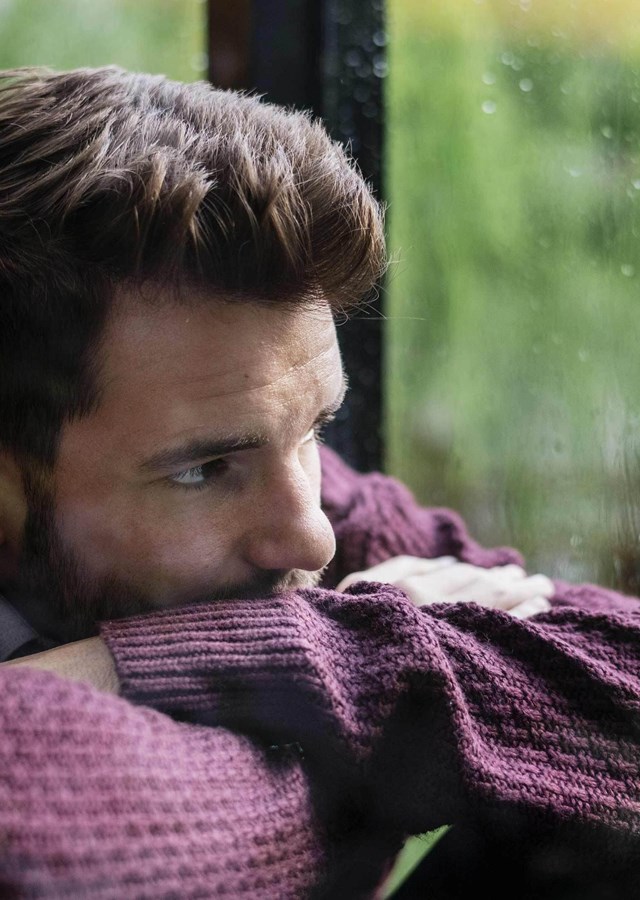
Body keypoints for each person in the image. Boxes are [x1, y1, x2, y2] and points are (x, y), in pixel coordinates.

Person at [0, 66, 638, 899]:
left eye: (314, 429)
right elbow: (49, 848)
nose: (312, 537)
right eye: (203, 470)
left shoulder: (268, 478)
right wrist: (392, 733)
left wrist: (334, 653)